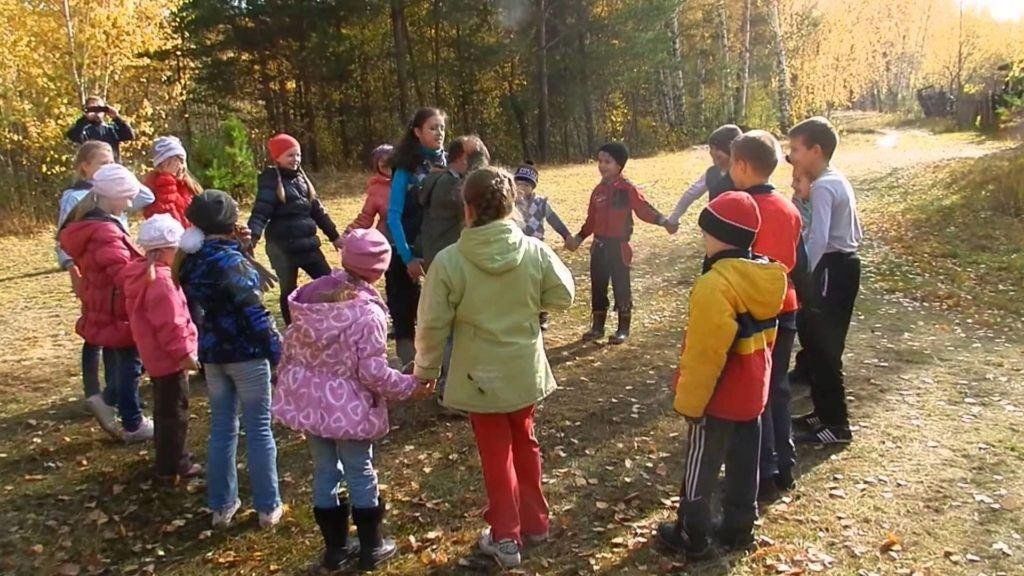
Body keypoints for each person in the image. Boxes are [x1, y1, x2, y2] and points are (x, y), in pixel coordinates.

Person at [415, 167, 575, 568]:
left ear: (466, 208)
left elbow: (431, 323)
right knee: (525, 441)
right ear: (511, 206)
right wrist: (529, 302)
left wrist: (425, 369)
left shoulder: (450, 261)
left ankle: (506, 536)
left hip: (479, 375)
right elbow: (564, 295)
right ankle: (535, 522)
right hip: (522, 369)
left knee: (496, 452)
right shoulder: (533, 251)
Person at [273, 228, 435, 572]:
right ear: (379, 271)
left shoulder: (309, 296)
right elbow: (373, 372)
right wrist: (409, 385)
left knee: (325, 470)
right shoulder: (368, 314)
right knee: (360, 469)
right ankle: (371, 545)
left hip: (311, 403)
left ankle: (334, 550)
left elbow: (293, 347)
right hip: (349, 407)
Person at [657, 192, 786, 559]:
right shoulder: (766, 276)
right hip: (753, 395)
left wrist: (690, 402)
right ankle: (739, 528)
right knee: (745, 466)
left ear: (719, 237)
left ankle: (691, 532)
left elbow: (705, 355)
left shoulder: (715, 285)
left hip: (718, 399)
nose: (702, 239)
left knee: (702, 465)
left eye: (705, 232)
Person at [178, 190, 284, 529]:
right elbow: (254, 311)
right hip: (245, 355)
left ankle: (221, 504)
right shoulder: (230, 262)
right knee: (259, 429)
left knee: (222, 428)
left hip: (213, 354)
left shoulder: (190, 260)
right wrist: (278, 353)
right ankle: (268, 506)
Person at [727, 131, 807, 500]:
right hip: (786, 305)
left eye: (731, 163)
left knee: (753, 390)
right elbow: (796, 261)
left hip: (752, 312)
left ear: (742, 165)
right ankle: (783, 464)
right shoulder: (790, 208)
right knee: (777, 387)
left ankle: (761, 468)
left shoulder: (742, 207)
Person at [58, 164, 154, 442]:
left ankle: (108, 399)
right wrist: (151, 273)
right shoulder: (104, 232)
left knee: (131, 360)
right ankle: (133, 423)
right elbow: (122, 272)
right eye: (126, 197)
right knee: (133, 362)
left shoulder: (96, 224)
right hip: (117, 306)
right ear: (110, 196)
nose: (128, 204)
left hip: (106, 302)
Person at [786, 117, 863, 445]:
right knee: (816, 345)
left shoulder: (824, 186)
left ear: (816, 150)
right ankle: (822, 412)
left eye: (796, 149)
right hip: (836, 266)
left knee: (825, 349)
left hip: (831, 268)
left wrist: (803, 276)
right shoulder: (831, 180)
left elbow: (818, 239)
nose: (792, 156)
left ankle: (837, 425)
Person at [120, 215, 201, 482]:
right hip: (170, 360)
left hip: (155, 357)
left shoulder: (141, 275)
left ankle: (168, 461)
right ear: (165, 251)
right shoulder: (162, 282)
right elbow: (171, 323)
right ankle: (175, 465)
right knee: (175, 413)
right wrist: (184, 354)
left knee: (165, 410)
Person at [569, 142, 674, 344]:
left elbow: (644, 209)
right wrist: (579, 238)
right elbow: (591, 221)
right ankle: (597, 326)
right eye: (600, 161)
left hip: (619, 247)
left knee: (621, 286)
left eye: (607, 161)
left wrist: (663, 222)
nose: (602, 165)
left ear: (619, 165)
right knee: (598, 286)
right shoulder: (597, 191)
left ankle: (622, 328)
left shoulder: (627, 190)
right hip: (599, 247)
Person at [248, 133, 343, 324]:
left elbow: (319, 213)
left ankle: (334, 320)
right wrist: (252, 238)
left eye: (298, 155)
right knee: (288, 290)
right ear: (277, 157)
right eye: (290, 155)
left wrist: (335, 236)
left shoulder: (302, 180)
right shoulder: (271, 181)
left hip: (308, 247)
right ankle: (292, 327)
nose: (296, 159)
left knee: (328, 282)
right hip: (283, 250)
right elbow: (260, 212)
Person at [386, 107, 448, 366]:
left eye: (442, 128)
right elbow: (394, 215)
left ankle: (435, 366)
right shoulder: (405, 168)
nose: (439, 133)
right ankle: (408, 367)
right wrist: (408, 256)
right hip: (405, 251)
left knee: (435, 313)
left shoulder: (449, 163)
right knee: (405, 312)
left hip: (439, 251)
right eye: (432, 128)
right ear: (417, 132)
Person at [512, 161, 575, 331]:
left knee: (539, 281)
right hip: (516, 247)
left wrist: (567, 235)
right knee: (519, 281)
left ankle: (542, 315)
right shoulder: (510, 202)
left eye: (526, 184)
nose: (522, 188)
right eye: (519, 183)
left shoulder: (541, 203)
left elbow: (554, 220)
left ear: (533, 187)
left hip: (536, 248)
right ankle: (520, 312)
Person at [419, 135, 490, 268]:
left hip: (440, 254)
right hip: (446, 259)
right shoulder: (448, 184)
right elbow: (479, 194)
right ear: (462, 159)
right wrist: (480, 155)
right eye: (470, 157)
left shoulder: (443, 179)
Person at [666, 124, 743, 227]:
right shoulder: (712, 174)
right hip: (717, 230)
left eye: (717, 148)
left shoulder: (746, 174)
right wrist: (673, 220)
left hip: (743, 229)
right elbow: (690, 195)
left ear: (731, 150)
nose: (712, 152)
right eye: (711, 148)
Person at [143, 136, 202, 226]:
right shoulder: (153, 189)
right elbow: (164, 218)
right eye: (171, 163)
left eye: (182, 161)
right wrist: (167, 180)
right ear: (160, 167)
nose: (180, 167)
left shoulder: (189, 185)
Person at [65, 96, 136, 162]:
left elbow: (130, 135)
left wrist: (117, 118)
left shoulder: (111, 130)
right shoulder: (83, 129)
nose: (96, 112)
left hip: (111, 168)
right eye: (93, 109)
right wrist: (85, 119)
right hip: (92, 169)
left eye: (99, 109)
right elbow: (73, 136)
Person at [346, 144, 395, 235]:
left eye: (390, 161)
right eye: (382, 162)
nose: (387, 164)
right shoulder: (376, 189)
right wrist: (348, 233)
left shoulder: (410, 182)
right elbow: (366, 217)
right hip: (388, 239)